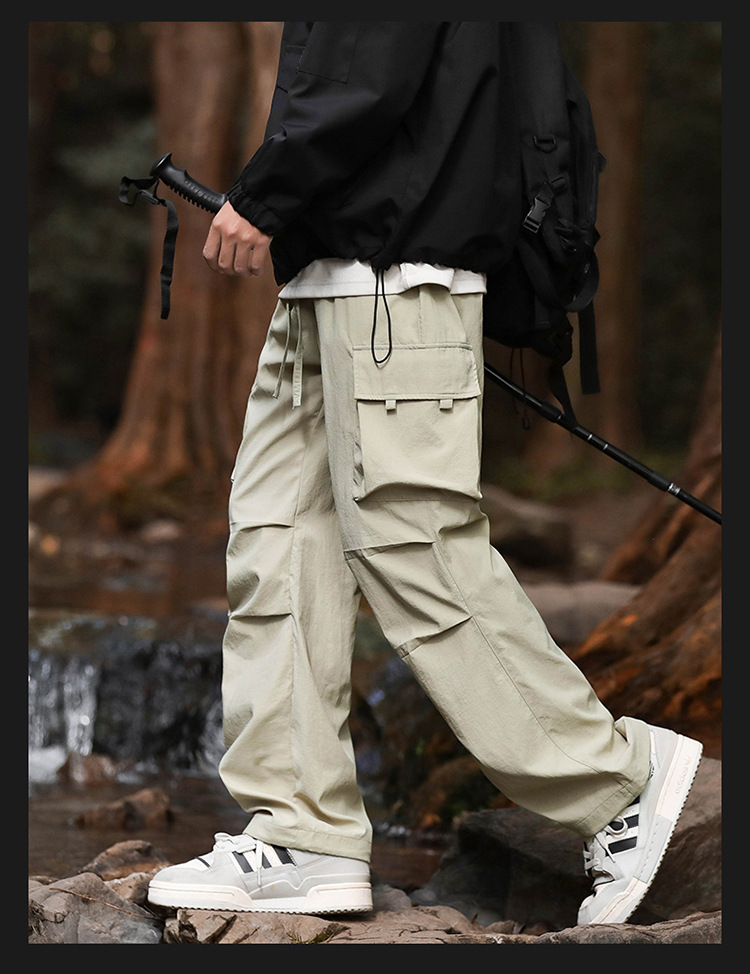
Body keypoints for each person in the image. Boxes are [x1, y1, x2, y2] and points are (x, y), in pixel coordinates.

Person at [147, 22, 702, 926]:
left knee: (416, 546)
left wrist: (267, 191)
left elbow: (371, 65)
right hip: (327, 276)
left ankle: (619, 785)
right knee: (277, 541)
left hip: (397, 274)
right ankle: (302, 832)